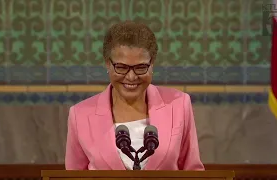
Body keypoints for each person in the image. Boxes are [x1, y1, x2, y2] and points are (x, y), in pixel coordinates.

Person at [65, 20, 204, 170]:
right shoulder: (80, 115)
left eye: (141, 67)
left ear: (152, 64)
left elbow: (193, 171)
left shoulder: (179, 104)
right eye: (121, 67)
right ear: (107, 63)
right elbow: (73, 176)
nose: (131, 77)